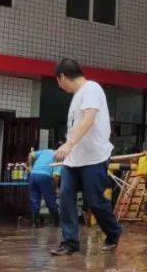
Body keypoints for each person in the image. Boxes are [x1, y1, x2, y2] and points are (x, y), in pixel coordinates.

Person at [50, 58, 122, 256]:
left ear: (62, 76)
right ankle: (70, 242)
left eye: (58, 81)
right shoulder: (77, 96)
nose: (60, 85)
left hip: (93, 157)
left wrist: (68, 144)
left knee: (94, 201)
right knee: (65, 197)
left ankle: (114, 232)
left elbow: (89, 118)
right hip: (74, 159)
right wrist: (69, 147)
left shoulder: (91, 88)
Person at [26, 146, 61, 227]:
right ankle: (57, 223)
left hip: (32, 176)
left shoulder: (47, 151)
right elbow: (56, 176)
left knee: (34, 200)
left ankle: (34, 223)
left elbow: (30, 155)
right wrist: (56, 188)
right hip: (44, 177)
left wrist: (30, 167)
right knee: (50, 199)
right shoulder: (60, 158)